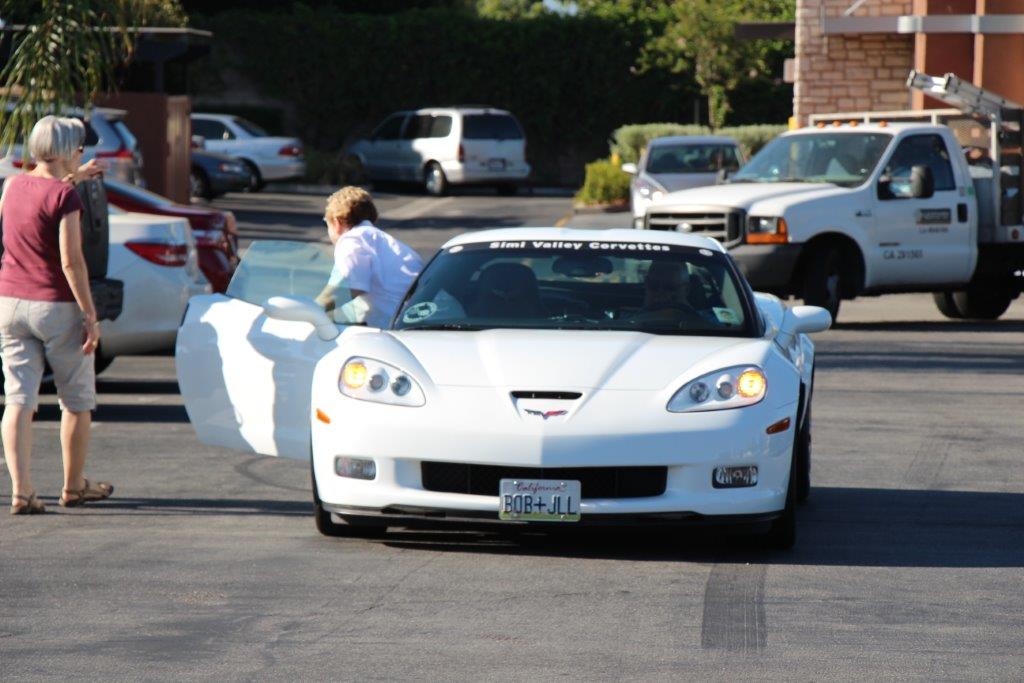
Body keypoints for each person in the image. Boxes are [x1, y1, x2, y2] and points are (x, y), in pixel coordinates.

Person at [0, 115, 111, 515]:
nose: (83, 153)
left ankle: (22, 490)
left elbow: (39, 198)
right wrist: (90, 315)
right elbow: (71, 261)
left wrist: (74, 177)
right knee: (76, 401)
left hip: (10, 302)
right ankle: (73, 486)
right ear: (67, 150)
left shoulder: (11, 186)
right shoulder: (67, 199)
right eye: (79, 147)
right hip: (56, 305)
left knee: (19, 399)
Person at [316, 186, 423, 328]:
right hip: (417, 322)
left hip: (393, 331)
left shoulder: (351, 241)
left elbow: (343, 290)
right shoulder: (390, 245)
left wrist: (308, 311)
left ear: (336, 222)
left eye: (326, 222)